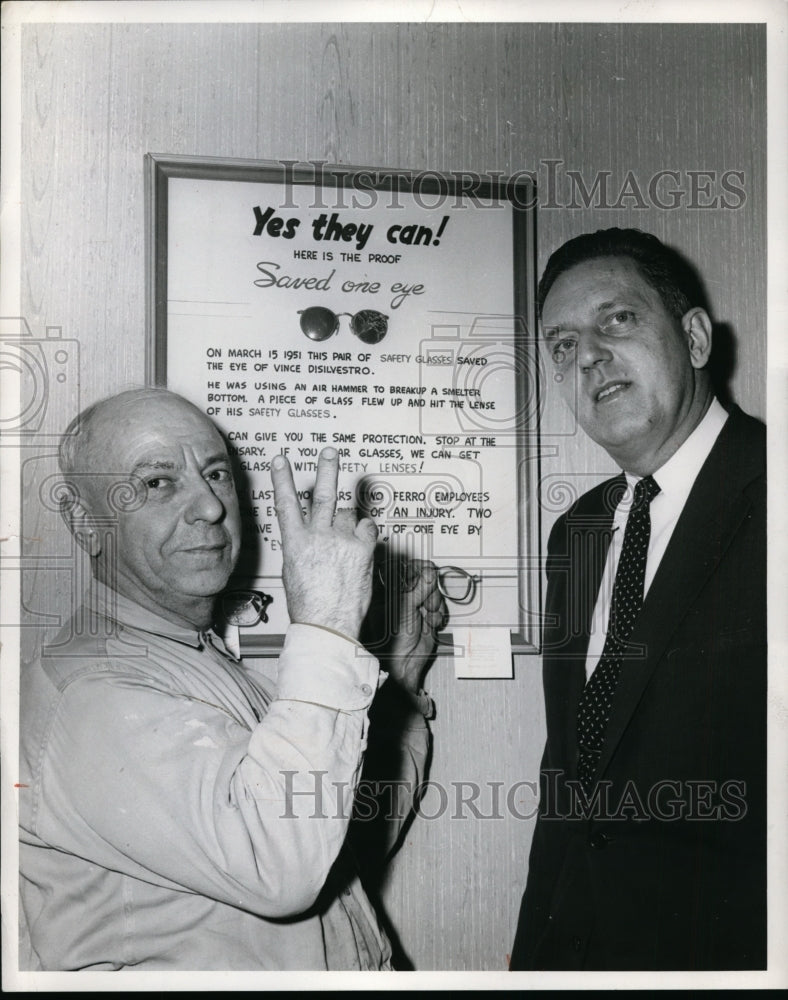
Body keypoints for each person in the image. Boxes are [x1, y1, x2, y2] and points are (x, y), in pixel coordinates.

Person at [18, 387, 446, 971]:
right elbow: (283, 869)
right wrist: (325, 622)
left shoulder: (201, 662)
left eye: (216, 473)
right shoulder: (92, 695)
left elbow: (340, 845)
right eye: (158, 482)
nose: (212, 507)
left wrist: (396, 686)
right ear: (82, 518)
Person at [510, 228, 766, 971]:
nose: (587, 355)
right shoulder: (577, 532)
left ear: (691, 337)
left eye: (615, 320)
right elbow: (568, 777)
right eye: (562, 345)